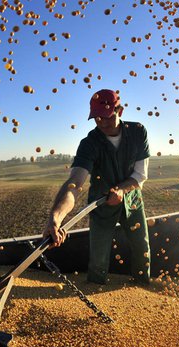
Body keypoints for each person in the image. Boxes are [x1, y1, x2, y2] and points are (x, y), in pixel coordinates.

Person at [43, 89, 151, 285]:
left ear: (120, 111)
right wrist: (55, 217)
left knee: (141, 247)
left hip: (132, 200)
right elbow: (74, 184)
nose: (101, 122)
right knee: (99, 255)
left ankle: (143, 285)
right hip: (101, 204)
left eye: (106, 117)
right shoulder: (89, 143)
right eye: (96, 118)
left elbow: (140, 174)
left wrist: (121, 190)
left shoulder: (137, 132)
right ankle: (96, 286)